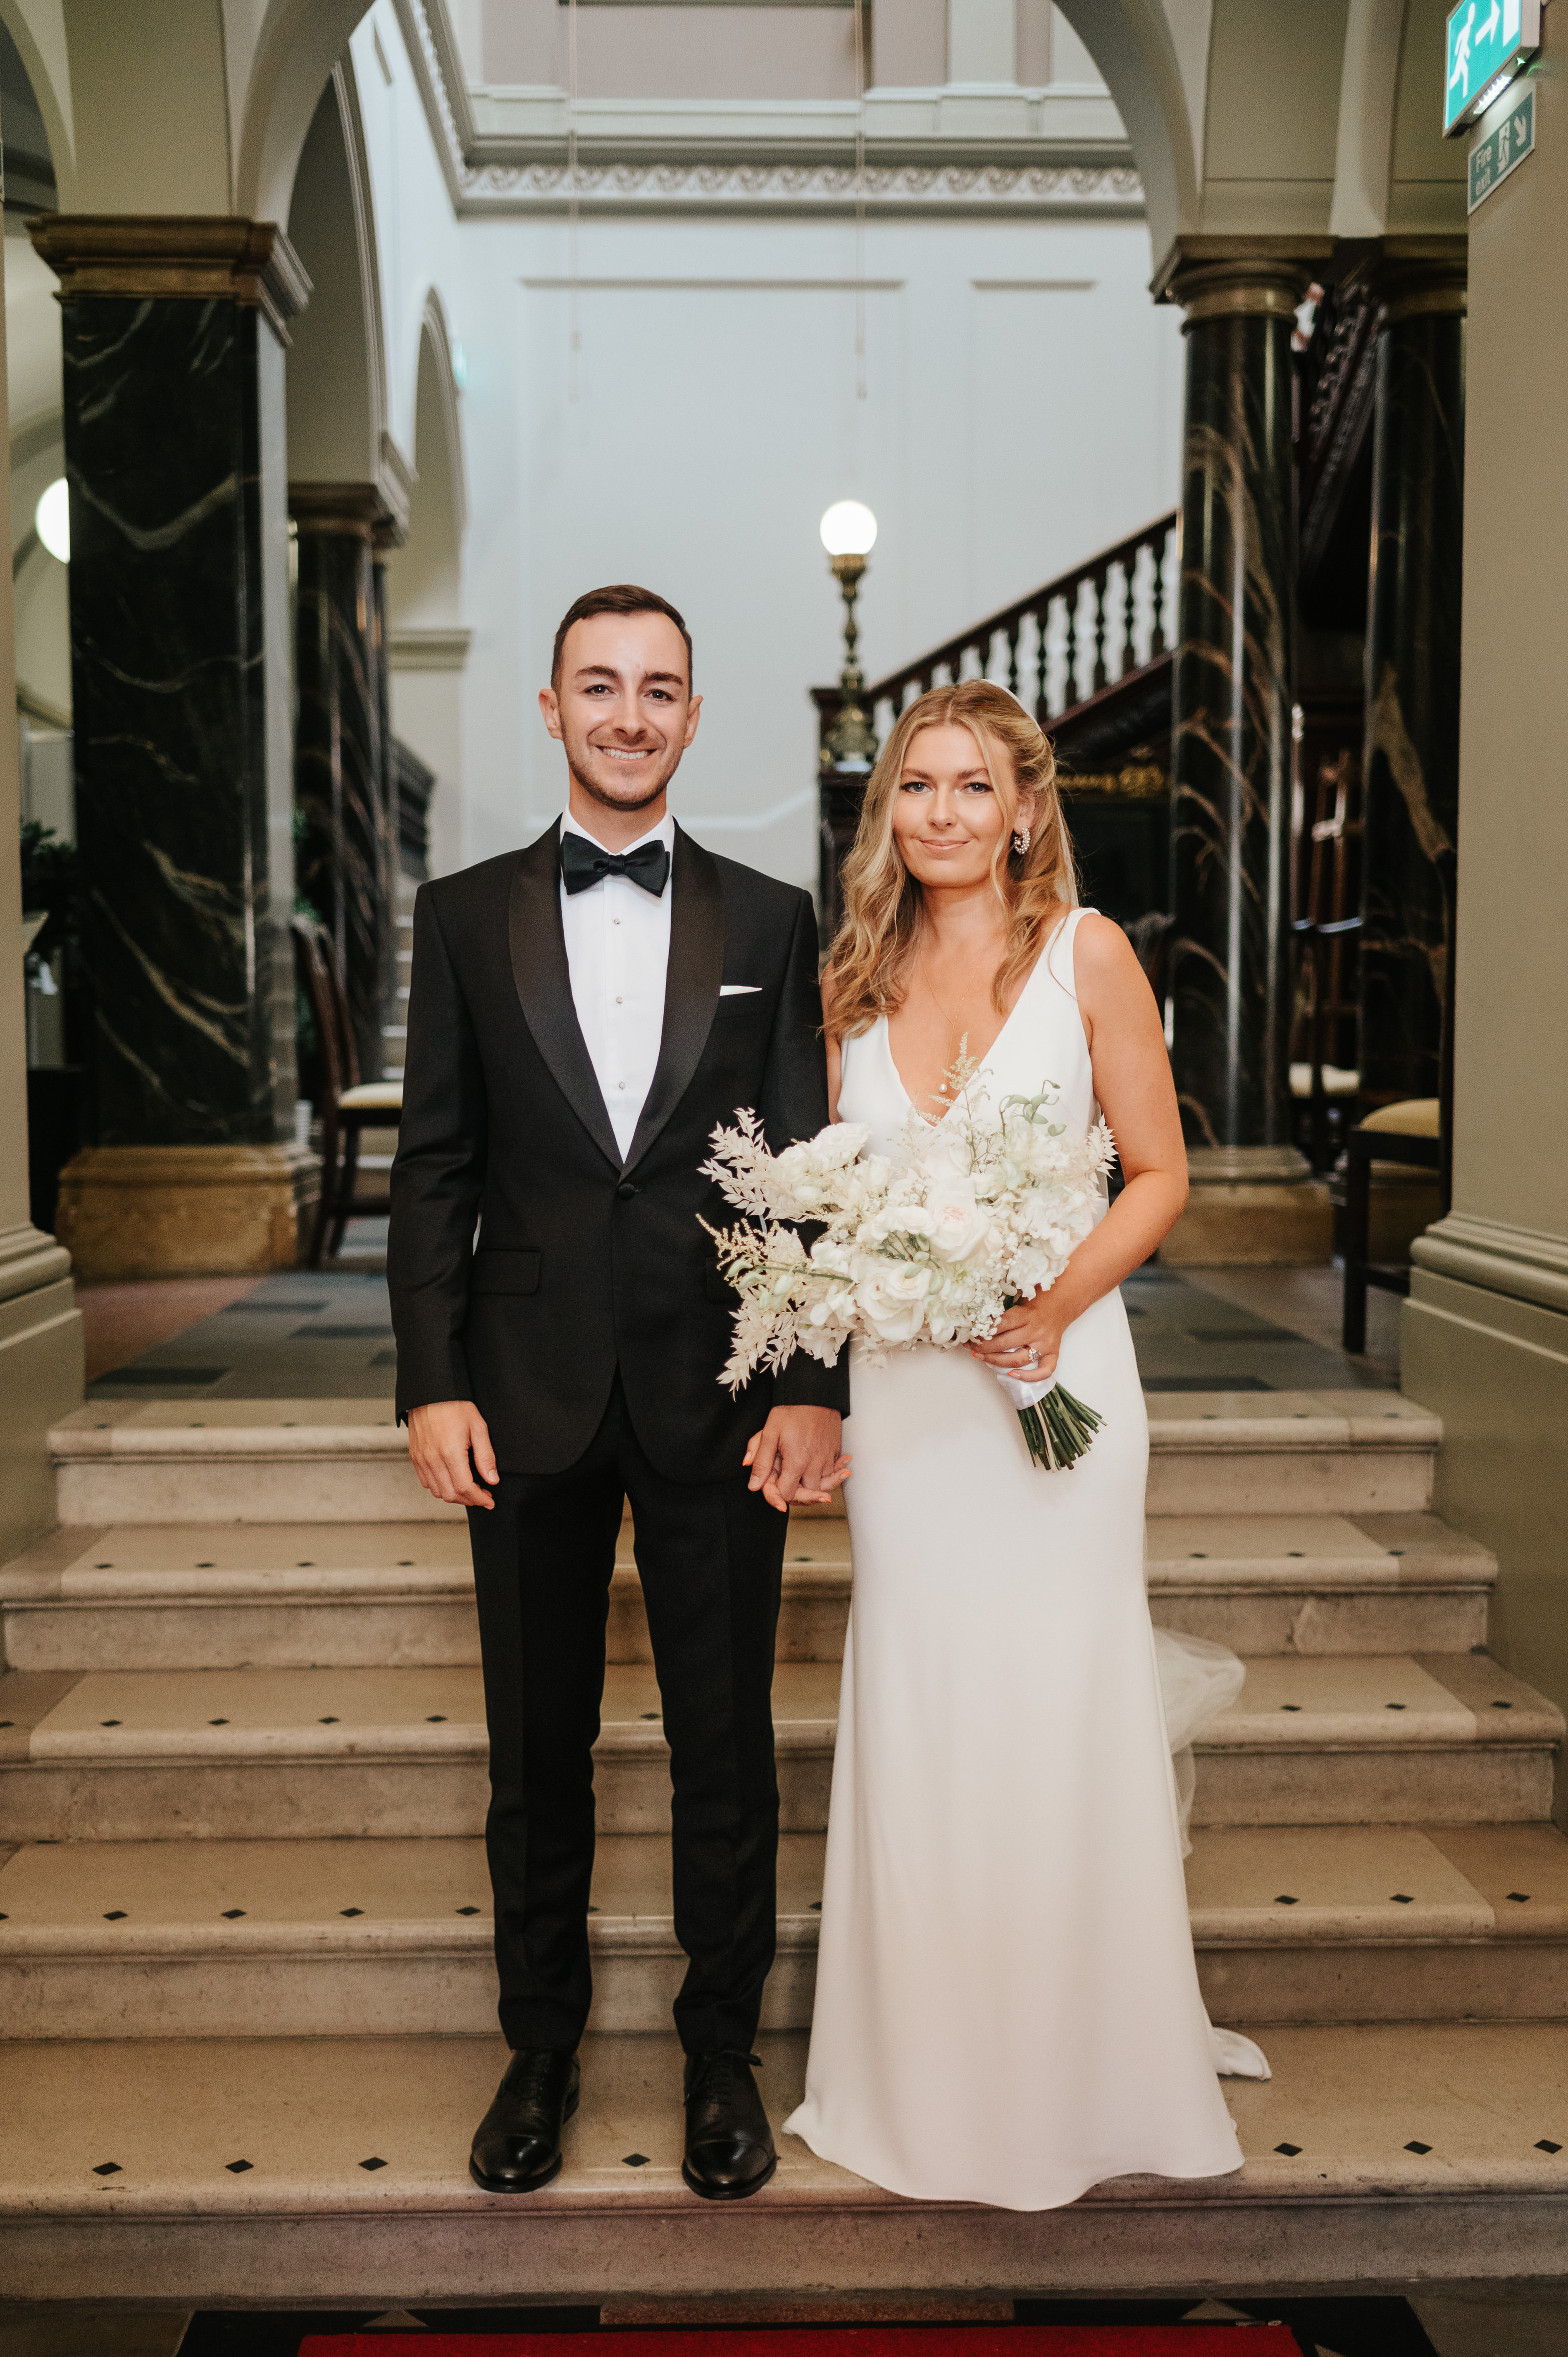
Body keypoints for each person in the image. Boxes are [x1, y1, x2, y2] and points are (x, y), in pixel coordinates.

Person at [388, 584, 849, 2202]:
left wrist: (810, 1380)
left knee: (726, 1748)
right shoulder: (460, 914)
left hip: (721, 1394)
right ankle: (542, 2050)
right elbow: (431, 1169)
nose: (630, 712)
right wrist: (430, 1383)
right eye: (601, 684)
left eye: (660, 688)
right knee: (538, 1745)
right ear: (552, 707)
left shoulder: (771, 918)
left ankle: (721, 2057)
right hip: (520, 1393)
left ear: (694, 716)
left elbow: (803, 1172)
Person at [784, 678, 1262, 2209]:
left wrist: (1048, 1306)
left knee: (1054, 1703)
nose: (939, 813)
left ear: (1022, 809)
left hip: (1059, 1383)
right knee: (926, 1706)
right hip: (910, 1401)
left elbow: (1158, 1171)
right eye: (914, 788)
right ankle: (923, 2071)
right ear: (888, 813)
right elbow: (818, 1199)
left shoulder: (1087, 954)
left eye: (969, 788)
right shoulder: (847, 975)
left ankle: (1085, 2060)